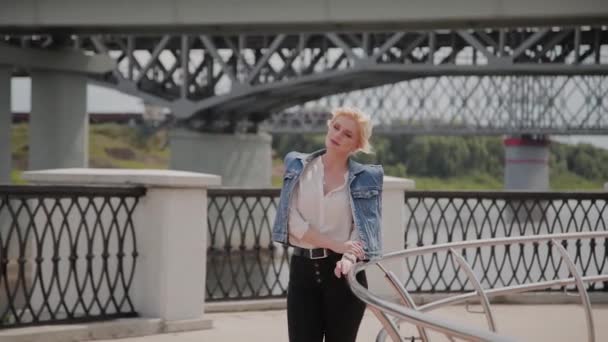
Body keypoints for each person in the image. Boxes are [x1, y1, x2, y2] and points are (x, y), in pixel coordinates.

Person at [272, 107, 384, 342]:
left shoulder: (366, 179)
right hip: (303, 271)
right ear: (329, 126)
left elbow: (364, 229)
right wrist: (336, 245)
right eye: (336, 127)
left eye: (348, 134)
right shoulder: (298, 167)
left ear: (356, 145)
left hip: (342, 275)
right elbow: (291, 221)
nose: (338, 135)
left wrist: (348, 257)